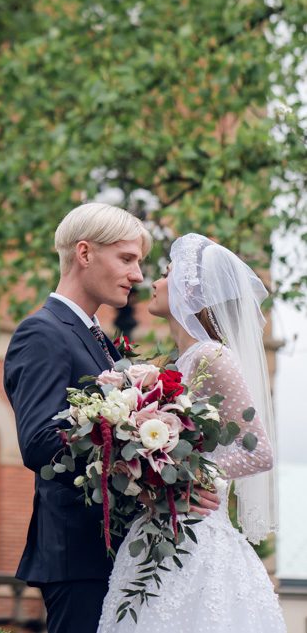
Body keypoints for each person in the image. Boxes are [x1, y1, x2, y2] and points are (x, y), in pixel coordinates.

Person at [97, 232, 286, 633]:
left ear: (190, 289)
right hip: (157, 527)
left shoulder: (214, 356)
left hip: (197, 534)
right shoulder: (177, 362)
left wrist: (195, 475)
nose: (155, 282)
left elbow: (260, 451)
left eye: (166, 273)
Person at [3, 203, 154, 633]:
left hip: (113, 549)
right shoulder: (42, 333)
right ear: (84, 254)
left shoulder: (101, 340)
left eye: (139, 262)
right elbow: (39, 442)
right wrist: (126, 439)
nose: (138, 275)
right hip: (79, 555)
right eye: (127, 259)